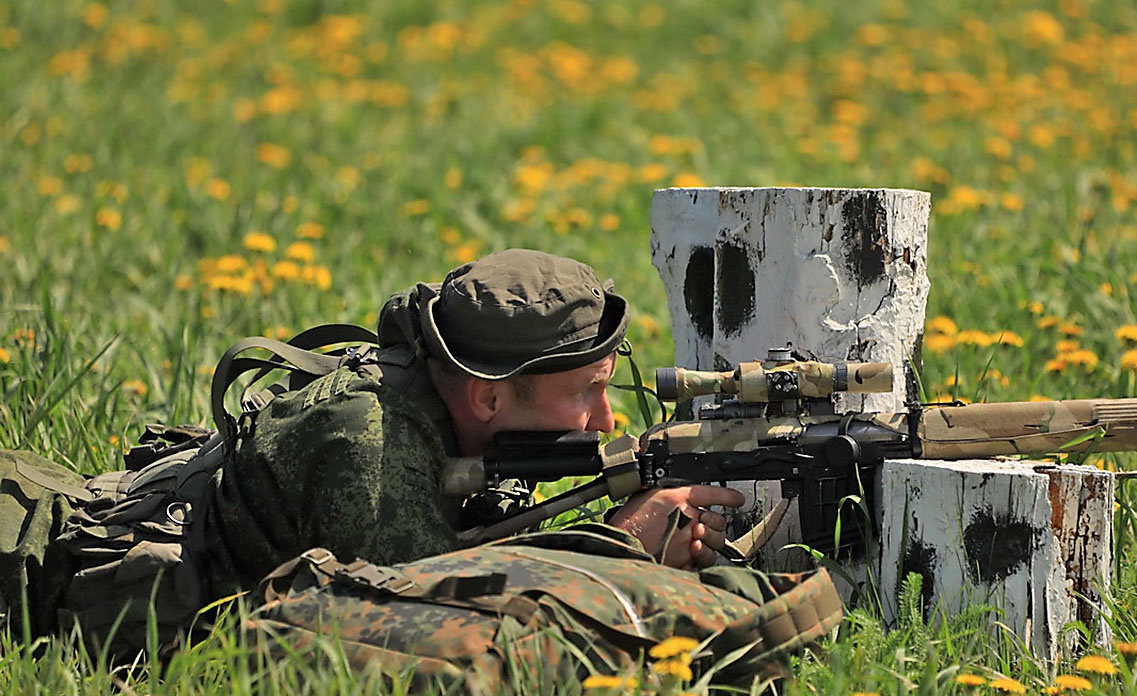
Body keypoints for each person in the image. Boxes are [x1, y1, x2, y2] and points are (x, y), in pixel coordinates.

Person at [2, 248, 746, 654]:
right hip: (32, 565)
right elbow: (433, 613)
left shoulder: (449, 416)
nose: (602, 418)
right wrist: (616, 546)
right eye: (584, 390)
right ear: (489, 396)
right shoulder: (371, 439)